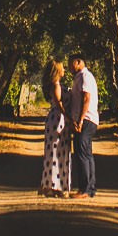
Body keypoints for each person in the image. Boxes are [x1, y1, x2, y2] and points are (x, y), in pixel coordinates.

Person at [66, 52, 99, 199]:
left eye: (70, 63)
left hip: (86, 120)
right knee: (86, 153)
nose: (69, 67)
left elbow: (86, 98)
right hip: (86, 119)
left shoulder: (85, 76)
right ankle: (90, 188)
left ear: (79, 62)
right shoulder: (80, 77)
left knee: (82, 154)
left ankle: (84, 190)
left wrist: (80, 120)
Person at [38, 60, 72, 196]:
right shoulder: (56, 85)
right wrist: (68, 116)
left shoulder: (54, 85)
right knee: (58, 152)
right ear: (58, 70)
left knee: (53, 151)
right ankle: (54, 186)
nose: (64, 70)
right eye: (62, 68)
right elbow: (58, 103)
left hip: (55, 119)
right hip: (58, 120)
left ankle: (50, 185)